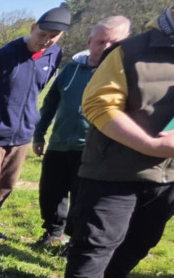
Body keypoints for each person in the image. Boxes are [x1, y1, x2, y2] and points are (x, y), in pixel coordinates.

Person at [57, 5, 174, 278]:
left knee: (142, 239)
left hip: (167, 178)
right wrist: (151, 145)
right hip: (113, 168)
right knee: (96, 240)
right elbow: (98, 104)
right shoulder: (131, 51)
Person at [0, 6, 70, 248]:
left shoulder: (54, 55)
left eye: (52, 37)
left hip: (22, 132)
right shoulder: (2, 57)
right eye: (42, 34)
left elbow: (39, 87)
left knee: (7, 183)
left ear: (59, 37)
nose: (45, 41)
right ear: (33, 28)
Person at [32, 16, 131, 249]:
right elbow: (51, 101)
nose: (106, 48)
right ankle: (52, 233)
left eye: (114, 43)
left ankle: (76, 242)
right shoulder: (71, 69)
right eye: (101, 42)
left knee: (83, 199)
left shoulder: (124, 75)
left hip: (93, 149)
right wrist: (39, 134)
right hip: (58, 143)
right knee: (51, 193)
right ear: (89, 41)